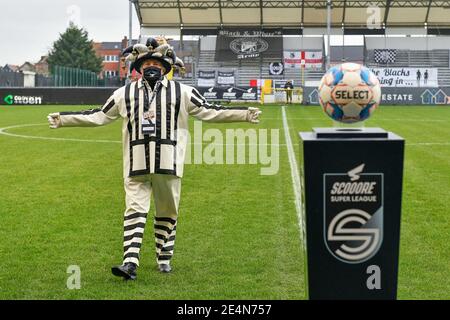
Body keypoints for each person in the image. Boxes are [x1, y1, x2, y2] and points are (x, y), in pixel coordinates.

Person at [47, 37, 262, 280]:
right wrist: (63, 119)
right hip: (135, 165)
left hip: (169, 164)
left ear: (166, 67)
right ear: (138, 67)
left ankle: (164, 257)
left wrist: (245, 114)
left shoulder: (183, 92)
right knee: (134, 210)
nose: (152, 66)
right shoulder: (123, 94)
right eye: (146, 62)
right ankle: (130, 262)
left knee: (167, 211)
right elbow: (97, 116)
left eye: (157, 63)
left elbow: (211, 111)